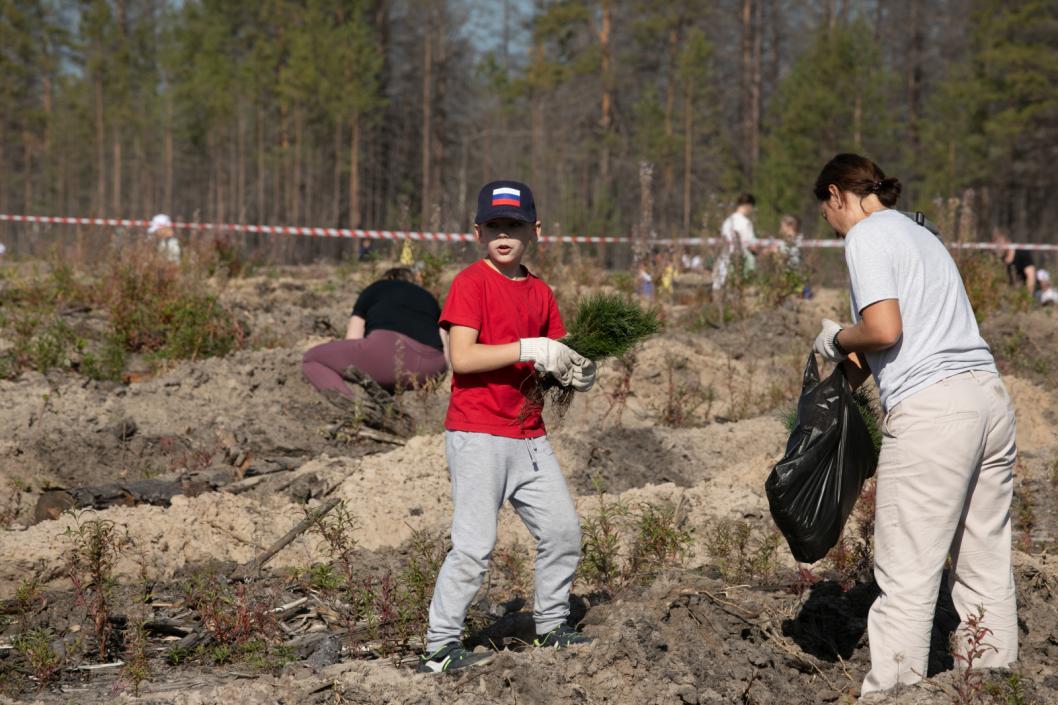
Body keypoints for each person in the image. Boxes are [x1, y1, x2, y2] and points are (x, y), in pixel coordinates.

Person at [811, 153, 1017, 696]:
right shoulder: (920, 235)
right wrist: (833, 385)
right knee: (983, 562)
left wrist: (834, 339)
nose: (830, 229)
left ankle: (893, 693)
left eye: (826, 215)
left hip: (934, 413)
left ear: (837, 195)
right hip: (988, 401)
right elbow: (904, 336)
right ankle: (990, 686)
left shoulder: (866, 236)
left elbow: (882, 329)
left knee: (907, 574)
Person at [418, 180, 596, 674]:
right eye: (494, 224)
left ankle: (553, 628)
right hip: (477, 433)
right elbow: (462, 356)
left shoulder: (541, 291)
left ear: (534, 230)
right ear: (478, 231)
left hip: (529, 434)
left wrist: (573, 369)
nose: (503, 233)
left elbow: (555, 354)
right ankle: (439, 647)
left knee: (562, 532)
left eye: (513, 224)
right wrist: (527, 347)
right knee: (474, 546)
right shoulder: (471, 283)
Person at [301, 267, 447, 407]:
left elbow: (353, 340)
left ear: (387, 279)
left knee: (311, 358)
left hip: (390, 353)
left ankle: (356, 410)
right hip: (433, 366)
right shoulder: (428, 298)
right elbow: (444, 340)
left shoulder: (375, 288)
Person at [712, 192, 761, 293]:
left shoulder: (727, 221)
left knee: (721, 287)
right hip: (741, 260)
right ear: (748, 205)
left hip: (725, 258)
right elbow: (750, 245)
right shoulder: (745, 222)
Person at [993, 227, 1037, 293]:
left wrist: (1027, 298)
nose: (997, 247)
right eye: (995, 243)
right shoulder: (997, 260)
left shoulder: (1023, 254)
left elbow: (1031, 278)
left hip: (1024, 296)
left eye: (1000, 243)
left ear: (1008, 242)